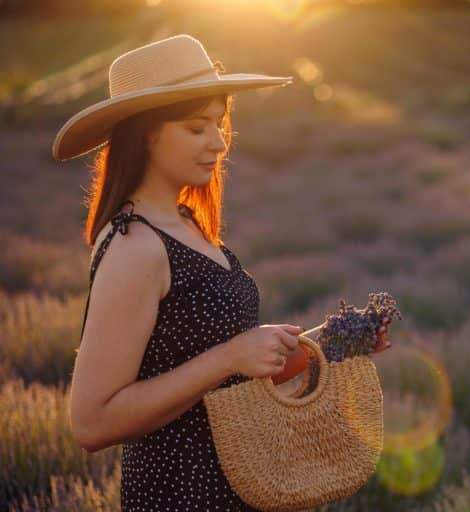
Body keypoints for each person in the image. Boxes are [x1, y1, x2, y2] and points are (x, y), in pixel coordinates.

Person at [52, 34, 391, 511]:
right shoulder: (135, 246)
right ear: (146, 134)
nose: (218, 142)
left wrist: (331, 343)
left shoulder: (186, 223)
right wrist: (229, 357)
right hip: (182, 496)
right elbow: (92, 423)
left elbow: (229, 381)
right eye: (196, 128)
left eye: (220, 122)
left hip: (241, 484)